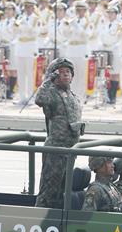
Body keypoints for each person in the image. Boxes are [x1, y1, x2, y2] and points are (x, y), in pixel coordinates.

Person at [34, 59, 84, 208]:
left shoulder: (72, 95)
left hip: (70, 149)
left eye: (68, 72)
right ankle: (39, 215)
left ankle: (55, 215)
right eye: (61, 73)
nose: (66, 75)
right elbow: (39, 99)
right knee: (49, 188)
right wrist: (49, 80)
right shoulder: (52, 93)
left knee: (63, 188)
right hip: (55, 150)